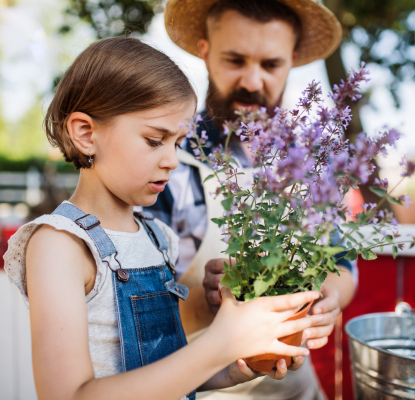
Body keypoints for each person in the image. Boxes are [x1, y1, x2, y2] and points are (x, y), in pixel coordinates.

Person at [3, 37, 325, 400]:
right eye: (155, 140)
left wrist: (231, 368)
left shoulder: (159, 238)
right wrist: (220, 343)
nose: (172, 159)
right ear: (86, 134)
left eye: (178, 142)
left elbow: (161, 371)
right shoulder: (60, 245)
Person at [147, 0, 359, 398]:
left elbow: (342, 261)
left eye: (270, 64)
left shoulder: (313, 158)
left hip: (294, 388)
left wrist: (329, 295)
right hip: (195, 386)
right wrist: (206, 299)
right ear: (205, 50)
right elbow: (131, 304)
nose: (252, 80)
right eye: (235, 59)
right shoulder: (167, 152)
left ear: (292, 60)